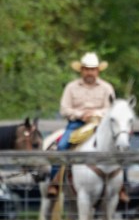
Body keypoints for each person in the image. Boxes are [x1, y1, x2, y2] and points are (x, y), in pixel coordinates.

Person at [47, 52, 128, 202]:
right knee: (63, 145)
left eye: (93, 69)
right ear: (81, 70)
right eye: (86, 69)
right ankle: (55, 182)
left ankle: (122, 186)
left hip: (100, 124)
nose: (90, 72)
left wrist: (96, 113)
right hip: (77, 123)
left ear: (98, 71)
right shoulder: (71, 87)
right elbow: (64, 109)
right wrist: (80, 114)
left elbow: (112, 109)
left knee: (120, 146)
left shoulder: (106, 88)